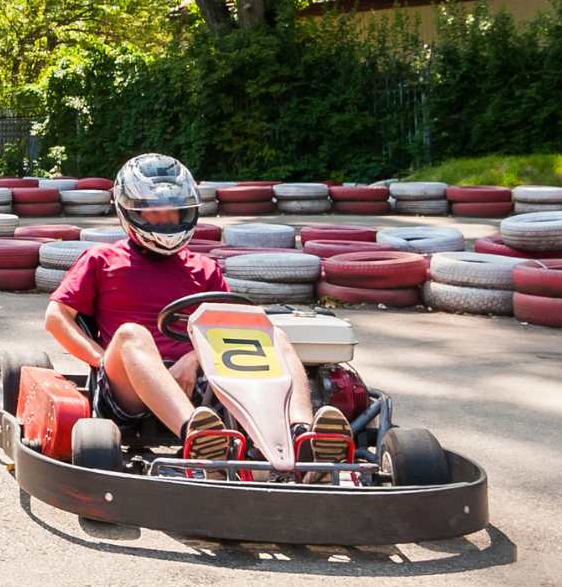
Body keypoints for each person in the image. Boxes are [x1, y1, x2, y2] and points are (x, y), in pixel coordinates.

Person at [44, 153, 346, 458]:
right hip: (128, 387)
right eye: (155, 213)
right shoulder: (101, 260)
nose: (166, 221)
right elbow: (57, 318)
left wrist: (192, 359)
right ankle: (198, 438)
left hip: (201, 380)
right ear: (130, 211)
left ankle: (301, 435)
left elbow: (232, 330)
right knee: (131, 334)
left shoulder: (204, 268)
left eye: (174, 212)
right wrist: (101, 359)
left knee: (273, 335)